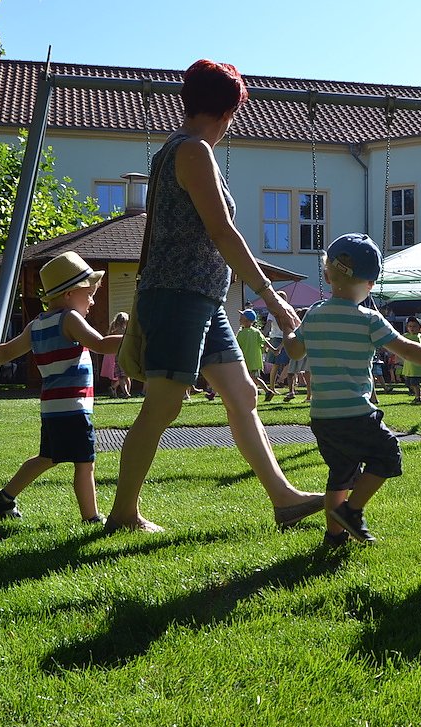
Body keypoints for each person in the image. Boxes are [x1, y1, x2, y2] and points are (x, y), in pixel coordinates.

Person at [108, 59, 323, 534]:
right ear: (229, 111)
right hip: (178, 297)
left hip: (202, 299)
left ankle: (284, 499)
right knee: (162, 405)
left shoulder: (178, 149)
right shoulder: (192, 151)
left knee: (243, 393)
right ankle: (123, 514)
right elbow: (222, 232)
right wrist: (270, 295)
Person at [285, 234, 421, 547]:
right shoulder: (368, 319)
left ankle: (334, 536)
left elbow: (295, 351)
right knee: (387, 455)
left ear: (327, 275)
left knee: (340, 474)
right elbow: (407, 349)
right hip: (355, 412)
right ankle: (351, 512)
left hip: (323, 417)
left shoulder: (313, 314)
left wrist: (290, 331)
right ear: (370, 284)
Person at [0, 252, 121, 523]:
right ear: (69, 294)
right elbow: (99, 344)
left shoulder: (36, 324)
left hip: (51, 408)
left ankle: (4, 498)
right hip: (74, 407)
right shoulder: (70, 319)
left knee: (46, 457)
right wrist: (138, 340)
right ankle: (91, 517)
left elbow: (6, 351)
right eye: (89, 294)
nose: (92, 301)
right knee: (85, 463)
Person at [236, 308, 275, 401]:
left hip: (246, 360)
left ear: (247, 320)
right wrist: (273, 349)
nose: (239, 319)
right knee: (253, 377)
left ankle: (267, 391)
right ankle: (259, 392)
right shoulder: (256, 331)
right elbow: (264, 341)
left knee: (251, 377)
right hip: (255, 360)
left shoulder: (241, 333)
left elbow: (236, 346)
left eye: (241, 317)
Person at [101, 312, 133, 398]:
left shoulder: (113, 330)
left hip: (117, 355)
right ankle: (126, 392)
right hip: (126, 355)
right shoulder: (127, 330)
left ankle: (124, 392)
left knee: (120, 376)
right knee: (127, 376)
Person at [400, 317, 421, 403]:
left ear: (420, 328)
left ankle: (418, 397)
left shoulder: (418, 337)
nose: (412, 328)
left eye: (414, 326)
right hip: (408, 365)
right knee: (408, 383)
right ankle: (419, 393)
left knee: (414, 382)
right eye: (410, 326)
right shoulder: (406, 336)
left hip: (416, 365)